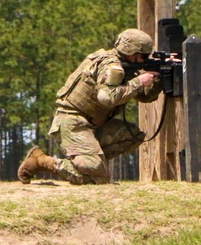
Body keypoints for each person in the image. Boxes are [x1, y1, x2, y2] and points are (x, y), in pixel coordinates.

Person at [18, 28, 163, 185]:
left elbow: (145, 96)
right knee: (97, 178)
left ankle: (90, 163)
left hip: (93, 125)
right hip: (73, 122)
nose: (144, 60)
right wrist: (139, 82)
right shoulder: (110, 65)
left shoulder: (124, 66)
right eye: (143, 56)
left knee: (132, 135)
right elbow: (107, 97)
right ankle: (42, 161)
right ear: (131, 52)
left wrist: (159, 78)